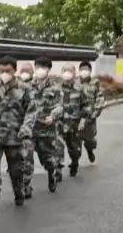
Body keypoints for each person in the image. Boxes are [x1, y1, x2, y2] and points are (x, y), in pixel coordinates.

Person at [0, 56, 35, 211]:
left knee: (16, 170)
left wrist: (26, 128)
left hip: (15, 136)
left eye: (8, 70)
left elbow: (31, 111)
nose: (5, 73)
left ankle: (19, 192)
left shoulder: (24, 88)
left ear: (15, 70)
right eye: (2, 70)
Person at [29, 55, 65, 193]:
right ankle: (25, 187)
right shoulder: (28, 86)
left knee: (47, 159)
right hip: (30, 129)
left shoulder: (55, 88)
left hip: (46, 129)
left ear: (49, 69)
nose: (39, 70)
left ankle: (52, 173)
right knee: (26, 159)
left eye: (43, 67)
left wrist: (53, 116)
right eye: (37, 67)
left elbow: (60, 106)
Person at [57, 63, 86, 177]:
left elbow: (86, 105)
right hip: (59, 123)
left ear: (74, 73)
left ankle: (74, 162)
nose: (67, 73)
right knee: (57, 147)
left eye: (69, 71)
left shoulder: (80, 89)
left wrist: (83, 119)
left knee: (74, 149)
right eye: (64, 71)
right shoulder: (56, 89)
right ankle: (57, 170)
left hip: (74, 124)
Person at [16, 61, 37, 198]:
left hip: (35, 128)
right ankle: (21, 186)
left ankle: (26, 184)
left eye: (28, 70)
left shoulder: (38, 86)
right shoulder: (15, 86)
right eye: (23, 70)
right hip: (15, 129)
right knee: (18, 160)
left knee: (28, 159)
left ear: (32, 72)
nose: (25, 73)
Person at [77, 61, 105, 162]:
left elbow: (100, 99)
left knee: (90, 140)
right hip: (76, 118)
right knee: (75, 142)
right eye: (82, 69)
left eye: (87, 69)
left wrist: (95, 113)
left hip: (90, 118)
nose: (84, 71)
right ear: (79, 71)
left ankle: (90, 151)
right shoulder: (75, 83)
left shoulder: (95, 83)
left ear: (90, 71)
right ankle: (75, 161)